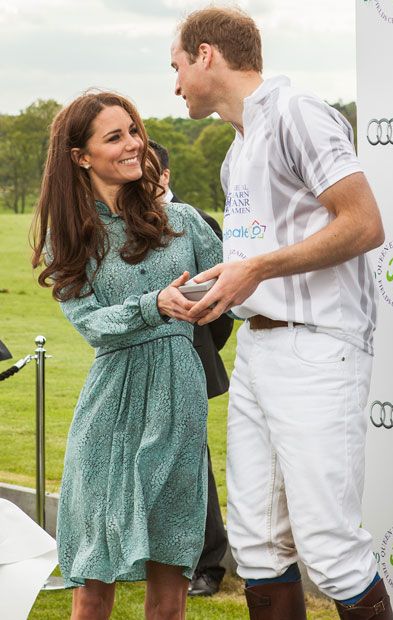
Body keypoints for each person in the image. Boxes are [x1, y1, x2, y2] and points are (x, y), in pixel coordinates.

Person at [170, 7, 393, 620]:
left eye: (178, 66)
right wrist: (215, 285)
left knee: (329, 546)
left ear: (207, 54)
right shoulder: (234, 152)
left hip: (319, 347)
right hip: (259, 351)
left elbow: (365, 223)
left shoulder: (296, 111)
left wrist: (257, 270)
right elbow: (254, 259)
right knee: (257, 544)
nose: (176, 84)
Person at [31, 91, 223, 620]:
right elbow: (92, 325)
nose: (134, 144)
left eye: (133, 131)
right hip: (109, 407)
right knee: (93, 578)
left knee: (172, 570)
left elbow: (239, 296)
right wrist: (153, 305)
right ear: (81, 156)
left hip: (179, 400)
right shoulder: (69, 236)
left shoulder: (183, 222)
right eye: (114, 136)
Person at [149, 139, 232, 596]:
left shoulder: (197, 221)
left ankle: (208, 564)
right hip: (138, 364)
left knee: (191, 463)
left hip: (190, 361)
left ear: (164, 176)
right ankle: (162, 556)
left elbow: (221, 308)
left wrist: (198, 353)